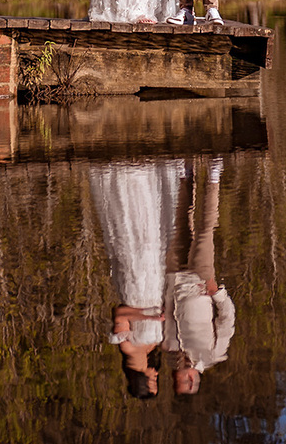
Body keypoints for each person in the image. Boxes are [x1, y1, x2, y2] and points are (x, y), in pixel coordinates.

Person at [90, 157, 182, 400]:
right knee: (154, 236)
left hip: (136, 287)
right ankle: (149, 175)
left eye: (153, 381)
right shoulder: (151, 350)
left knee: (135, 239)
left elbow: (120, 313)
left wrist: (148, 316)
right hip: (154, 285)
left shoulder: (127, 346)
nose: (156, 375)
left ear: (141, 380)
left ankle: (130, 179)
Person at [164, 156, 235, 396]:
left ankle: (186, 174)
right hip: (201, 283)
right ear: (192, 379)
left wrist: (165, 286)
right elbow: (226, 320)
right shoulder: (214, 354)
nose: (177, 371)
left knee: (180, 224)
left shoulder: (171, 348)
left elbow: (168, 313)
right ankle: (214, 175)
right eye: (180, 378)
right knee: (205, 230)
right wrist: (217, 293)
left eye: (175, 377)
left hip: (174, 277)